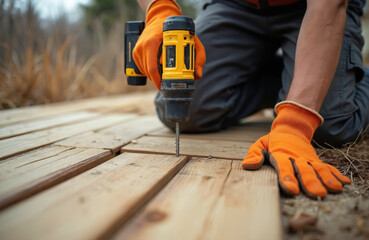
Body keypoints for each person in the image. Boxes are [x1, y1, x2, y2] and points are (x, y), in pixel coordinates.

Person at [132, 0, 369, 198]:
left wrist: (295, 122)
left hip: (314, 8)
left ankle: (313, 80)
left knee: (327, 125)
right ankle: (292, 78)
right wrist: (159, 8)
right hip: (236, 5)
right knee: (186, 110)